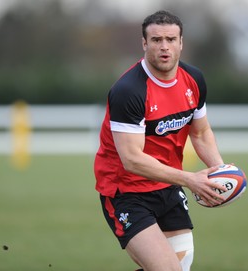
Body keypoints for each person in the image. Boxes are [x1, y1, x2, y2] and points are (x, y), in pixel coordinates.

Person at [94, 10, 227, 271]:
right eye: (156, 40)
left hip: (166, 186)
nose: (164, 46)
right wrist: (191, 179)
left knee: (181, 264)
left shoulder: (194, 80)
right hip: (126, 191)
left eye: (170, 39)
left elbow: (200, 133)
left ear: (181, 43)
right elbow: (131, 160)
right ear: (144, 44)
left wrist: (219, 174)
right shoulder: (129, 90)